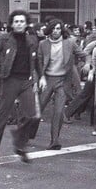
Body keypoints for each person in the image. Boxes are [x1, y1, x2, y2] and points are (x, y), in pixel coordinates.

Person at [0, 10, 39, 163]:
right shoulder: (4, 39)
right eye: (16, 21)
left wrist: (42, 77)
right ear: (12, 24)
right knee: (1, 116)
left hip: (27, 81)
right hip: (10, 80)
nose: (19, 24)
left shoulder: (32, 40)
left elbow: (37, 62)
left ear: (26, 24)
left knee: (30, 115)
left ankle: (19, 144)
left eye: (22, 21)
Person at [37, 19, 87, 149]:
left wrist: (86, 64)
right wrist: (40, 77)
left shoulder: (69, 43)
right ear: (49, 30)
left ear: (62, 30)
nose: (55, 31)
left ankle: (55, 141)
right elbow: (38, 62)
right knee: (38, 109)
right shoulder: (43, 44)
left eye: (58, 28)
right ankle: (28, 132)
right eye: (53, 28)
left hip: (63, 81)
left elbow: (83, 54)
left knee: (58, 112)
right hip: (47, 80)